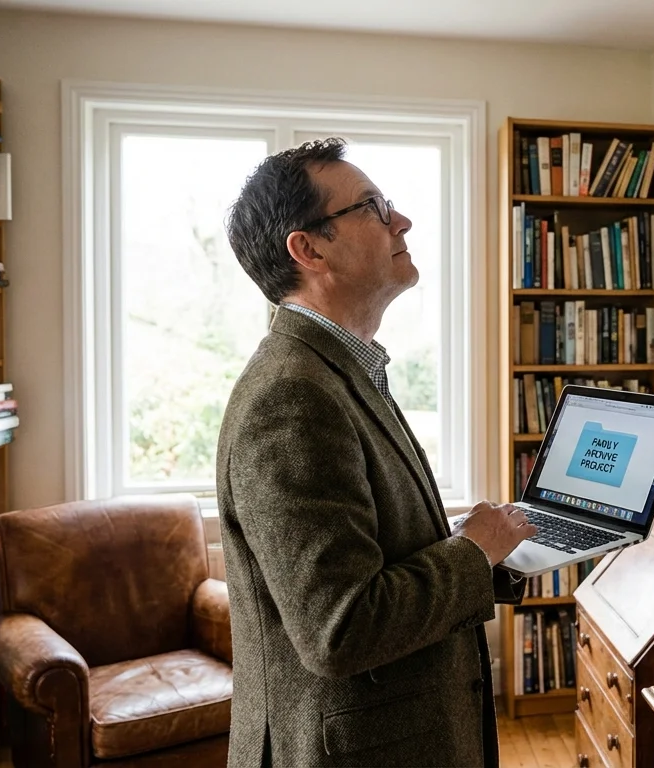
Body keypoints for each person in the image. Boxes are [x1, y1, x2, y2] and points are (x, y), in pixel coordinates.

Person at [218, 137, 537, 767]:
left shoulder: (342, 371)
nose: (402, 220)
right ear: (307, 249)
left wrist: (488, 551)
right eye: (372, 206)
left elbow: (366, 556)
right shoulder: (291, 397)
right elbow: (341, 628)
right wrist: (473, 551)